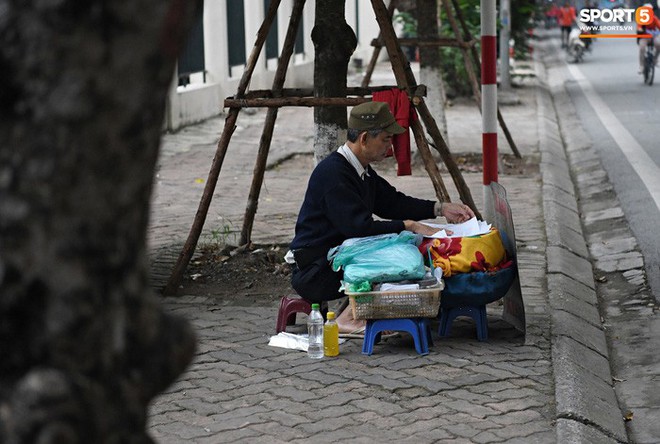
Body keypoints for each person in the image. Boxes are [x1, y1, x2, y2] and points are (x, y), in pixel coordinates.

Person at [288, 102, 475, 333]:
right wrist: (409, 226)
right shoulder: (334, 174)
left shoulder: (360, 169)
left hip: (338, 259)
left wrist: (440, 208)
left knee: (405, 243)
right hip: (317, 271)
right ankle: (348, 319)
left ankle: (370, 308)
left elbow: (393, 202)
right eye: (386, 139)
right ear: (364, 138)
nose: (390, 146)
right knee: (401, 255)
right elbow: (358, 228)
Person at [637, 4, 660, 74]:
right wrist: (640, 29)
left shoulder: (654, 18)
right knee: (642, 48)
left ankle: (655, 60)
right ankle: (641, 66)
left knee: (659, 45)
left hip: (653, 37)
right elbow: (639, 27)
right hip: (644, 37)